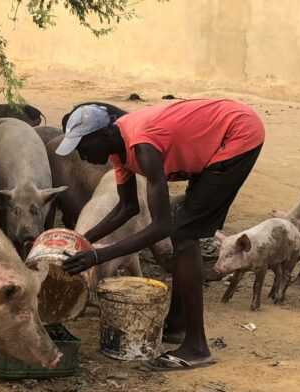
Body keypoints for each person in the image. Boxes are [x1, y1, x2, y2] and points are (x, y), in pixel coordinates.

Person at [56, 98, 265, 371]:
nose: (82, 156)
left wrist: (97, 255)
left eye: (84, 146)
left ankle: (197, 347)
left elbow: (160, 227)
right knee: (184, 232)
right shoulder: (119, 153)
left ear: (104, 134)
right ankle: (177, 325)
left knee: (184, 234)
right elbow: (127, 207)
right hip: (218, 135)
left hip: (237, 132)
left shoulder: (142, 146)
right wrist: (81, 239)